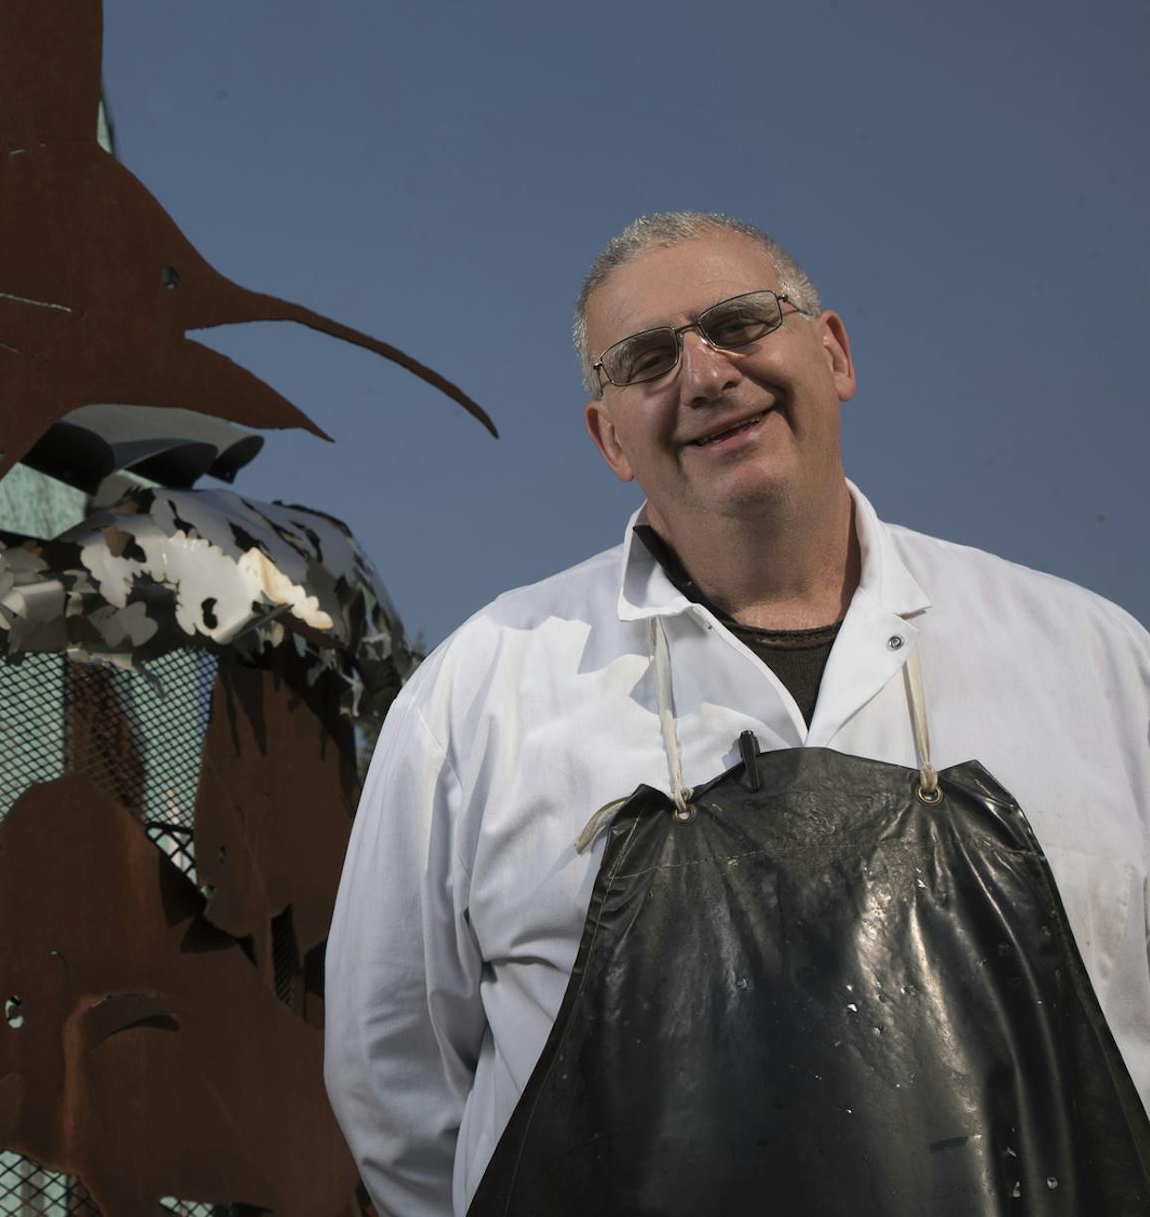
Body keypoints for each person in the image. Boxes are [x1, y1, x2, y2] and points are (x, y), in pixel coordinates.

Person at [323, 212, 1150, 1216]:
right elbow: (395, 1090)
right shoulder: (479, 696)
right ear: (608, 436)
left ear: (834, 352)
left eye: (741, 323)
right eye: (646, 359)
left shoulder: (1097, 663)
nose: (707, 375)